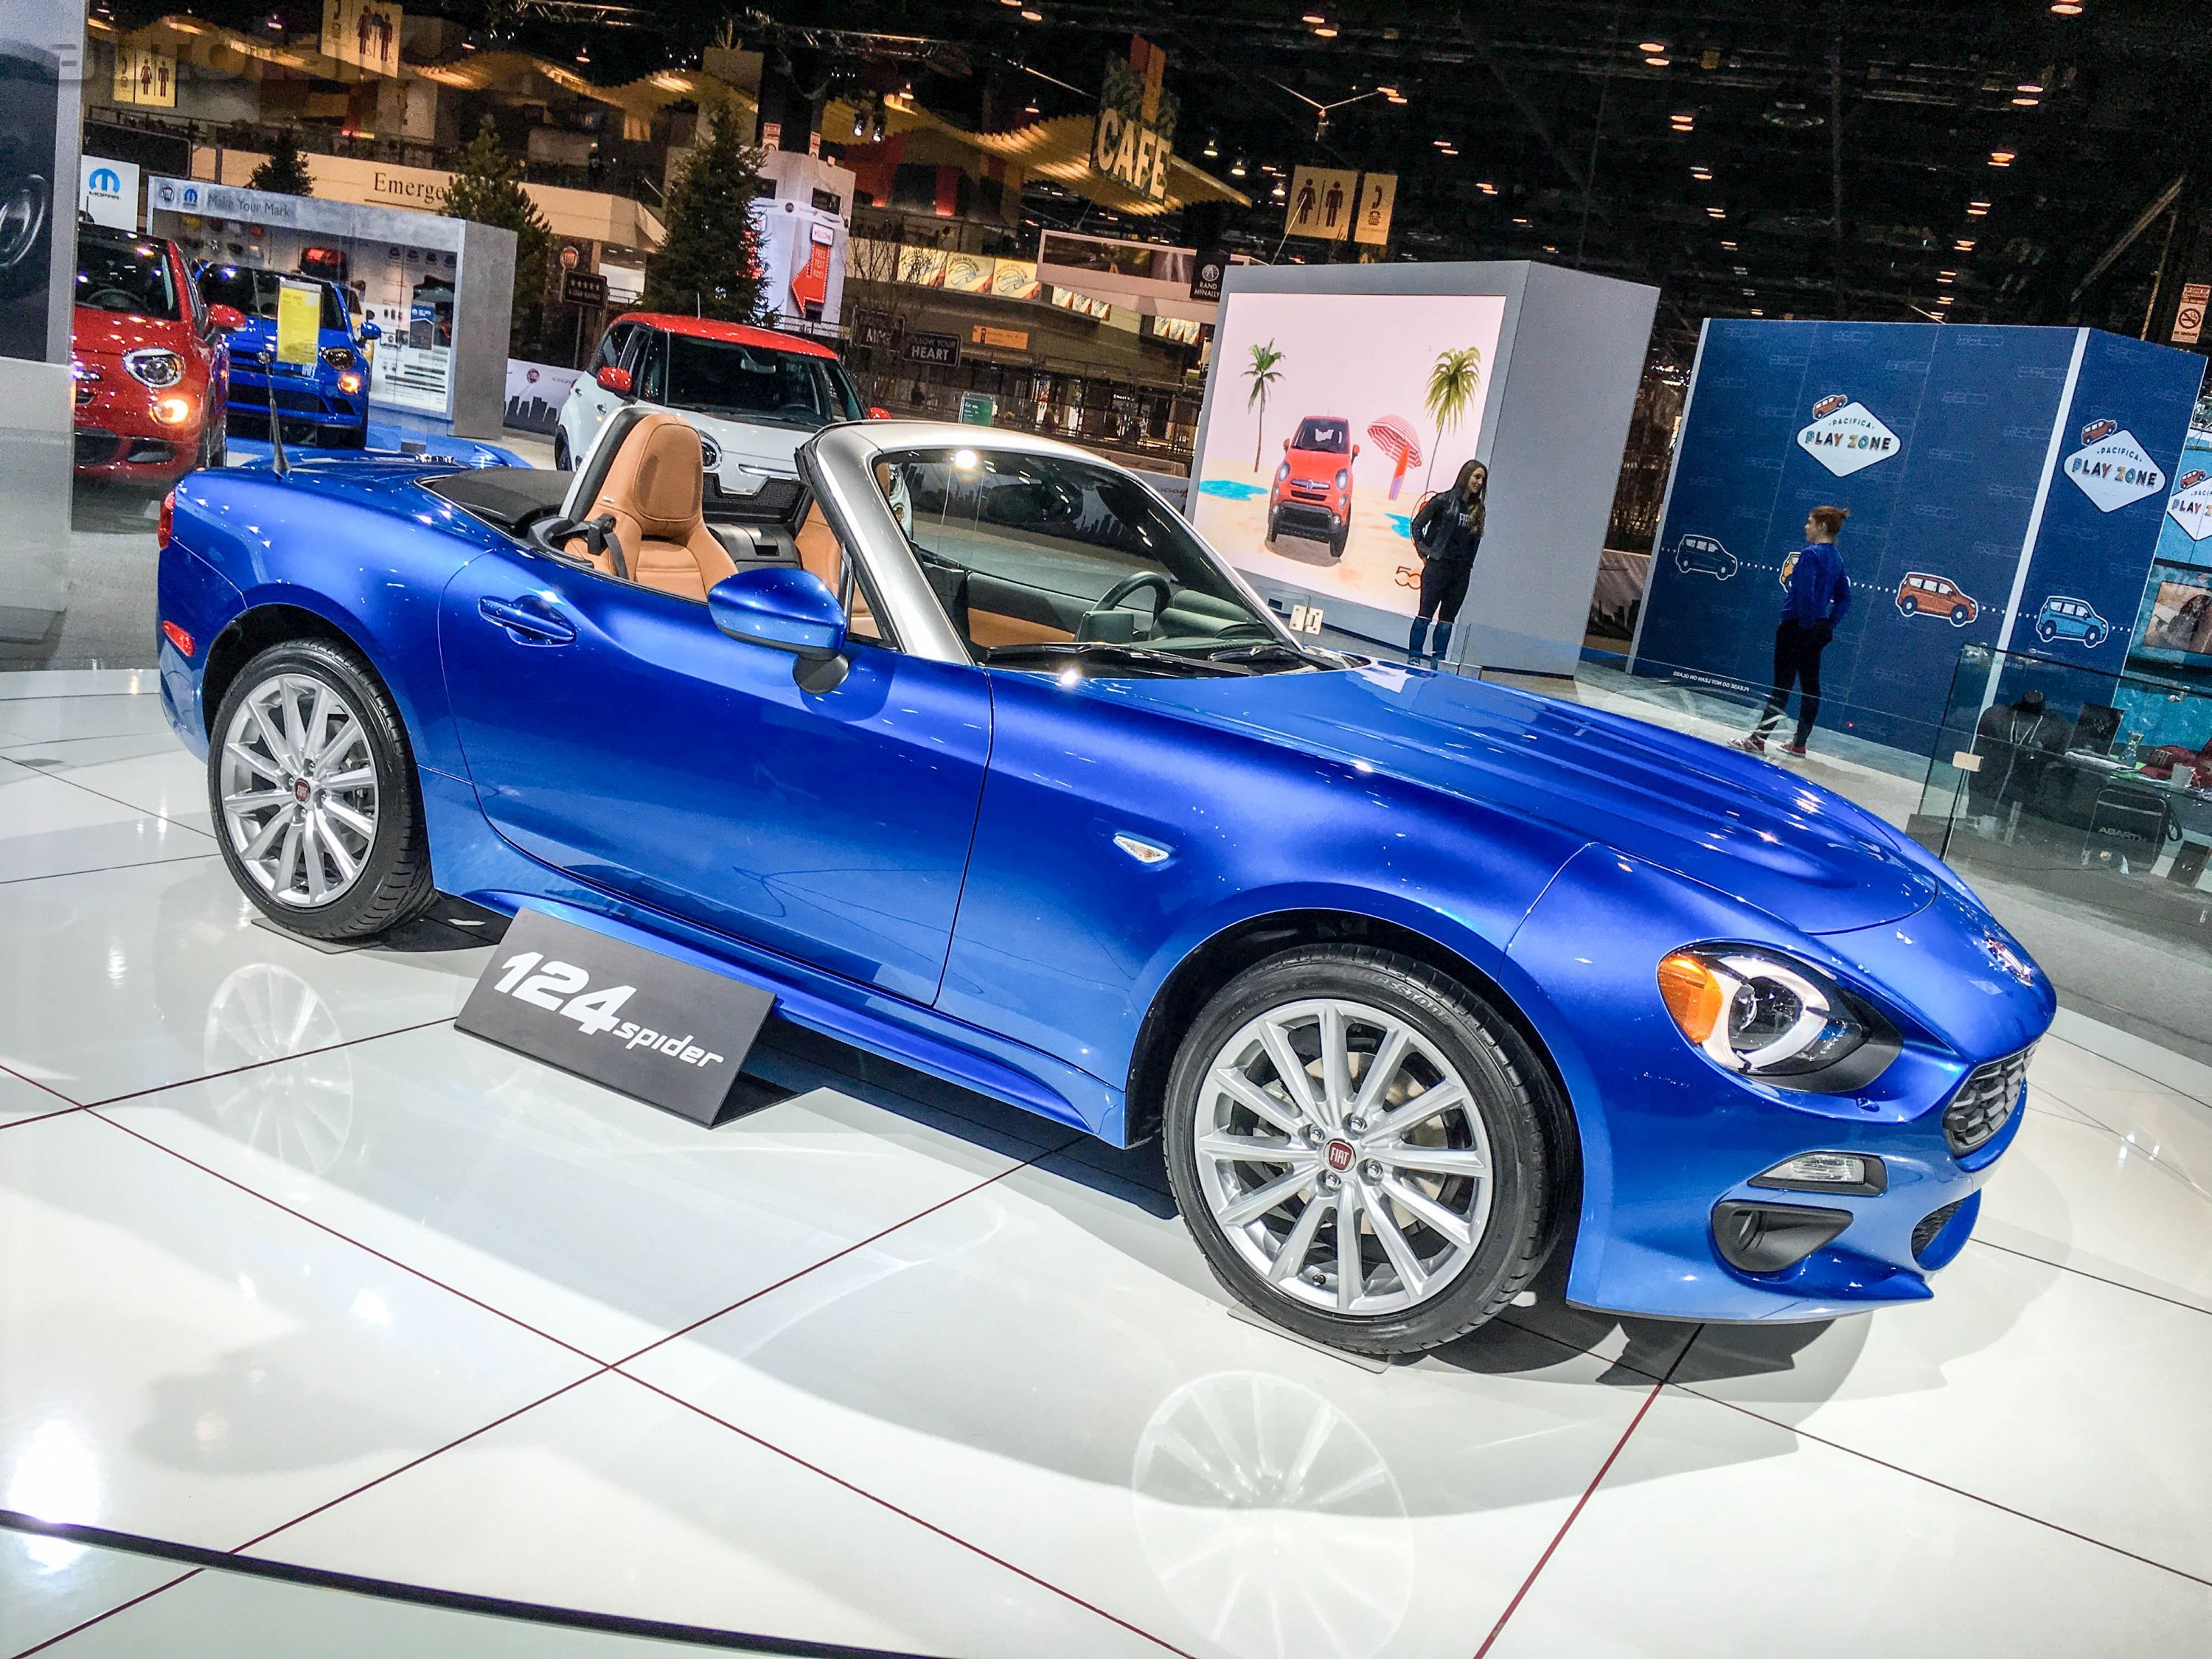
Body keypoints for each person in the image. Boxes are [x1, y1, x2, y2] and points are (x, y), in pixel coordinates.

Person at [1735, 504, 1851, 758]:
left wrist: (1807, 624)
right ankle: (1799, 743)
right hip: (1817, 627)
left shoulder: (1811, 554)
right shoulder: (1836, 558)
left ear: (1821, 526)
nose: (1806, 527)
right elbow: (1845, 598)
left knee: (1782, 685)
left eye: (1810, 522)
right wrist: (1827, 624)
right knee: (1811, 685)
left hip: (1797, 626)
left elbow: (1804, 593)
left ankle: (1759, 739)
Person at [1408, 460, 1486, 661]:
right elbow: (1417, 525)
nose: (1479, 482)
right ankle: (1414, 659)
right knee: (1425, 615)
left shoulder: (1478, 510)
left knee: (1447, 622)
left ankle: (1438, 664)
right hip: (1437, 568)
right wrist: (1425, 552)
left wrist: (1468, 566)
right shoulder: (1442, 500)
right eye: (1476, 477)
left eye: (1482, 480)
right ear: (1466, 475)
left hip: (1461, 574)